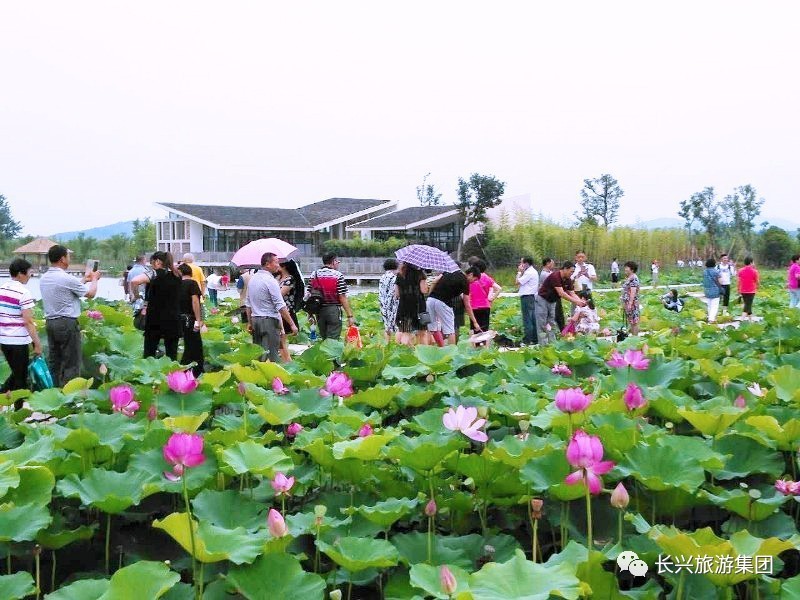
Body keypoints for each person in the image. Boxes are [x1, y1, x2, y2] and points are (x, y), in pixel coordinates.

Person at [39, 244, 100, 387]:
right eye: (68, 256)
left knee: (55, 361)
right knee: (71, 362)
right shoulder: (66, 278)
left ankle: (54, 393)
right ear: (62, 259)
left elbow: (67, 290)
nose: (69, 259)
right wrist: (95, 279)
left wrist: (85, 280)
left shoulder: (44, 278)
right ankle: (70, 397)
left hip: (50, 323)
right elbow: (91, 294)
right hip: (67, 323)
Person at [0, 258, 43, 408]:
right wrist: (37, 344)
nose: (30, 276)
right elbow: (28, 321)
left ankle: (2, 396)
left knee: (16, 373)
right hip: (18, 341)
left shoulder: (2, 289)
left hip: (4, 340)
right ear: (20, 274)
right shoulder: (23, 292)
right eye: (29, 272)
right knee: (20, 379)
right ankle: (19, 412)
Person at [245, 252, 298, 362]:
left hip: (256, 320)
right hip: (269, 321)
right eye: (276, 262)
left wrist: (250, 322)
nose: (278, 265)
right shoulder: (270, 281)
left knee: (259, 354)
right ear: (268, 264)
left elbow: (248, 304)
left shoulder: (253, 279)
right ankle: (271, 378)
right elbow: (280, 305)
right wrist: (292, 324)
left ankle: (258, 376)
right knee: (271, 355)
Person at [130, 251, 182, 360]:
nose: (151, 265)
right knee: (172, 355)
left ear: (158, 262)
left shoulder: (154, 273)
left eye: (152, 263)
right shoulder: (177, 274)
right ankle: (171, 375)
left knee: (149, 352)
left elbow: (134, 281)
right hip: (173, 317)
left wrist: (136, 295)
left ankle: (150, 375)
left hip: (155, 317)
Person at [535, 261, 586, 345]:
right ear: (565, 269)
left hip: (552, 301)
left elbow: (572, 293)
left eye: (573, 272)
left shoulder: (568, 280)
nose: (572, 273)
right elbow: (561, 293)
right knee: (542, 322)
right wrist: (576, 301)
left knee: (551, 322)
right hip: (543, 299)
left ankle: (552, 343)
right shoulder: (556, 276)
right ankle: (543, 345)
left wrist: (580, 301)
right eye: (571, 271)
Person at [427, 269, 481, 346]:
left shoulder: (450, 271)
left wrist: (430, 295)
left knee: (430, 329)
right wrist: (475, 322)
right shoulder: (465, 282)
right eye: (474, 279)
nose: (473, 282)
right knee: (450, 330)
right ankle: (451, 353)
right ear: (471, 274)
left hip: (431, 299)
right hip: (443, 302)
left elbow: (435, 281)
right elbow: (467, 304)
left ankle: (428, 351)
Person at [308, 253, 355, 340]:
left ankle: (325, 353)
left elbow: (309, 295)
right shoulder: (337, 275)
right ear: (333, 262)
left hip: (318, 310)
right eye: (337, 261)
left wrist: (310, 313)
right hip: (333, 310)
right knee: (333, 339)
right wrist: (350, 316)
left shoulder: (314, 274)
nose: (338, 263)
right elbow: (342, 297)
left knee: (324, 338)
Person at [177, 263, 204, 376]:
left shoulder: (176, 285)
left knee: (188, 344)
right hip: (189, 318)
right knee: (195, 345)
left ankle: (185, 369)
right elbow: (195, 301)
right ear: (190, 273)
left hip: (178, 318)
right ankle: (194, 370)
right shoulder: (192, 283)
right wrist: (198, 319)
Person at [395, 262, 429, 346]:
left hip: (404, 307)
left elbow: (397, 294)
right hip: (420, 307)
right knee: (423, 332)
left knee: (406, 332)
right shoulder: (420, 274)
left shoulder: (400, 275)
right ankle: (423, 353)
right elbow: (424, 290)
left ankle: (406, 352)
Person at [277, 259, 305, 361]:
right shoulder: (279, 278)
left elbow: (279, 295)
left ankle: (288, 363)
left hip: (286, 312)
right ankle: (286, 362)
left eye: (278, 263)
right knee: (280, 341)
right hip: (278, 312)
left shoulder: (290, 279)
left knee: (282, 341)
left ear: (284, 266)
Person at [466, 260, 502, 333]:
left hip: (474, 306)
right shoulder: (486, 277)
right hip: (485, 305)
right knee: (485, 329)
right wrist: (491, 298)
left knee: (474, 329)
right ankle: (485, 344)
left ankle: (475, 344)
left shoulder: (471, 277)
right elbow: (499, 288)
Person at [516, 256, 539, 345]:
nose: (520, 265)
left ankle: (527, 340)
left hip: (527, 297)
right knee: (532, 318)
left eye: (522, 263)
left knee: (527, 319)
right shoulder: (532, 271)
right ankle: (535, 339)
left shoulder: (529, 272)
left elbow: (517, 282)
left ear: (526, 263)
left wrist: (519, 272)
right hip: (531, 297)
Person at [378, 258, 399, 342]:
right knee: (398, 327)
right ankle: (398, 345)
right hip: (393, 304)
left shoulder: (382, 277)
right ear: (395, 266)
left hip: (383, 303)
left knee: (387, 327)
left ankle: (387, 345)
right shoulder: (394, 277)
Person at [541, 257, 564, 332]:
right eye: (552, 263)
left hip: (555, 296)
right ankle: (560, 331)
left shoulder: (549, 273)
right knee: (557, 315)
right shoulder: (545, 274)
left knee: (558, 315)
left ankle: (561, 331)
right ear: (547, 264)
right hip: (551, 297)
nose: (553, 265)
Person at [621, 261, 641, 335]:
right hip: (628, 302)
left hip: (632, 303)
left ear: (632, 269)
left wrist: (630, 303)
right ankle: (633, 336)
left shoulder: (633, 278)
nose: (625, 269)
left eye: (627, 268)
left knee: (634, 321)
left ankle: (635, 337)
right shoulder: (629, 278)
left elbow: (633, 291)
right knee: (631, 321)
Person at [703, 258, 722, 323]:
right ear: (714, 264)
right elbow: (720, 281)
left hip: (707, 290)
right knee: (715, 305)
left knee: (709, 305)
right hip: (715, 290)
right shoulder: (716, 271)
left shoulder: (705, 271)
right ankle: (711, 319)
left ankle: (709, 317)